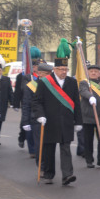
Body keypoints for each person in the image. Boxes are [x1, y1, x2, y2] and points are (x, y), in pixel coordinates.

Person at [31, 42, 82, 186]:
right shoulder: (45, 82)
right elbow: (37, 101)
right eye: (61, 69)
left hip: (66, 121)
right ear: (54, 69)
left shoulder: (72, 82)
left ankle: (67, 175)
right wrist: (40, 115)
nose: (64, 72)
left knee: (66, 148)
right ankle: (48, 173)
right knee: (49, 148)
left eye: (66, 69)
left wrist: (78, 121)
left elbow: (76, 103)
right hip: (49, 121)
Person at [78, 64, 100, 168]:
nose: (93, 73)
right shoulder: (84, 83)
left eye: (96, 71)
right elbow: (83, 91)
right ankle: (89, 160)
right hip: (88, 116)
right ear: (87, 72)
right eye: (91, 71)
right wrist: (90, 97)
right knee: (88, 139)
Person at [19, 61, 48, 161]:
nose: (48, 76)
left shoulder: (54, 85)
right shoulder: (31, 85)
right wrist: (25, 121)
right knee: (39, 144)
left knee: (48, 145)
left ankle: (47, 165)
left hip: (51, 118)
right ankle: (41, 165)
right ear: (39, 73)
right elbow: (26, 104)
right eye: (46, 73)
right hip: (35, 117)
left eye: (49, 73)